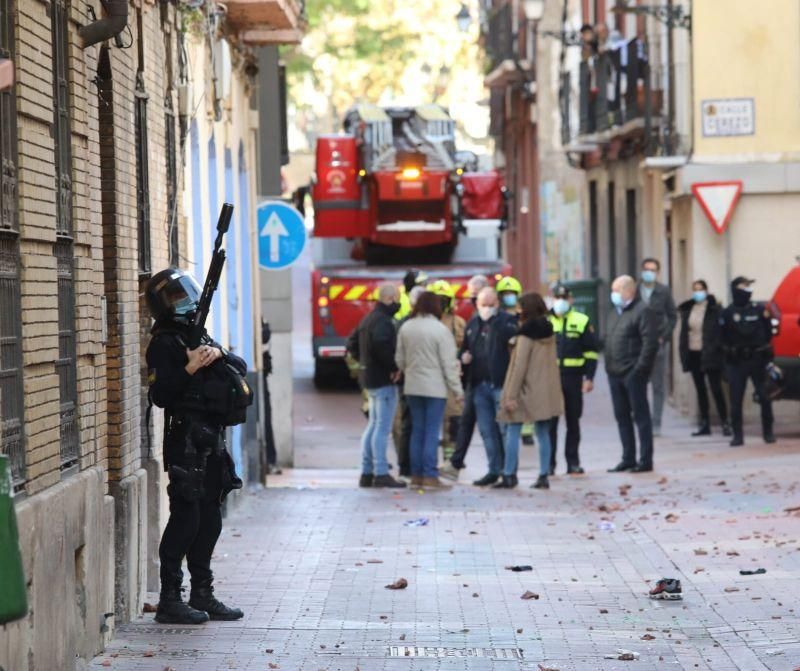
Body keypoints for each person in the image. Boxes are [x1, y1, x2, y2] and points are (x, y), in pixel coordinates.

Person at [145, 268, 247, 625]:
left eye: (184, 294)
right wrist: (188, 368)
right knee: (186, 518)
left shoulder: (196, 333)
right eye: (175, 298)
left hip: (211, 437)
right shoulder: (163, 342)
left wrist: (216, 355)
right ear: (162, 305)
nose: (185, 302)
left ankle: (203, 592)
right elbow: (160, 395)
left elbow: (239, 366)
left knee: (210, 518)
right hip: (185, 439)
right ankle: (170, 598)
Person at [395, 291, 463, 488]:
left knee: (417, 430)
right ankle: (430, 475)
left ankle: (416, 475)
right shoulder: (440, 330)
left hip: (412, 387)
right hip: (435, 389)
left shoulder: (406, 327)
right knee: (432, 432)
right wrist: (457, 391)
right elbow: (449, 364)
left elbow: (399, 359)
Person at [497, 293, 563, 489]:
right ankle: (544, 474)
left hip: (525, 389)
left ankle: (509, 474)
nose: (517, 311)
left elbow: (519, 366)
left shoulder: (526, 335)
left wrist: (510, 395)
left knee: (512, 429)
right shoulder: (549, 332)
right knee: (543, 433)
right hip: (545, 390)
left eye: (520, 307)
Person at [441, 287, 505, 482]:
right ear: (477, 305)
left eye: (490, 305)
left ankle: (506, 470)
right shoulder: (472, 324)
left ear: (497, 304)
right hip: (477, 384)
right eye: (483, 305)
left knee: (502, 430)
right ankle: (494, 470)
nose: (487, 309)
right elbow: (465, 349)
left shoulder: (504, 324)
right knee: (486, 431)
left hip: (498, 384)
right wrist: (464, 357)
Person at [346, 283, 406, 488]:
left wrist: (364, 362)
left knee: (373, 425)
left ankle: (367, 471)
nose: (398, 303)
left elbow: (351, 343)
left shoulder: (368, 319)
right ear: (389, 299)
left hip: (369, 379)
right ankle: (381, 472)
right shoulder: (384, 322)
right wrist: (393, 367)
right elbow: (382, 345)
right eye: (397, 299)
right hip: (382, 381)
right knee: (382, 427)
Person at [606, 274, 659, 473]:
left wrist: (640, 370)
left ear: (629, 291)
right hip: (614, 373)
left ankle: (645, 460)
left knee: (641, 417)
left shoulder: (643, 311)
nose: (614, 295)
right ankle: (628, 457)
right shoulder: (614, 313)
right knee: (622, 417)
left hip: (632, 374)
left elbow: (650, 343)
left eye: (617, 290)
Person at [548, 284, 598, 475]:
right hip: (551, 379)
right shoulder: (544, 320)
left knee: (573, 421)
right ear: (552, 299)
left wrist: (589, 378)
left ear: (571, 300)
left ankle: (573, 462)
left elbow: (591, 352)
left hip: (573, 377)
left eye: (564, 298)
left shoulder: (581, 320)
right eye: (557, 298)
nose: (561, 301)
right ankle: (549, 463)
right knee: (550, 422)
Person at [719, 276, 775, 447]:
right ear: (736, 289)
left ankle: (768, 433)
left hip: (757, 359)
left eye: (749, 286)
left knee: (765, 397)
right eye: (744, 286)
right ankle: (738, 435)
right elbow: (721, 338)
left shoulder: (759, 310)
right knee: (736, 400)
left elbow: (768, 332)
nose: (748, 290)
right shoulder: (727, 313)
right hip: (737, 361)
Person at [678, 281, 731, 437]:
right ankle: (705, 424)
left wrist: (717, 348)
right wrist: (683, 353)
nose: (697, 293)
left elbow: (721, 333)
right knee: (700, 390)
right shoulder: (688, 309)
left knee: (716, 389)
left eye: (700, 290)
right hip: (694, 353)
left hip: (711, 354)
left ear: (706, 291)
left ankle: (725, 423)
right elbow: (684, 334)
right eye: (695, 290)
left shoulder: (714, 309)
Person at [427, 280, 466, 462]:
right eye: (438, 299)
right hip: (430, 376)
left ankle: (451, 456)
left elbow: (464, 345)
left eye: (445, 299)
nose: (441, 303)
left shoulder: (457, 322)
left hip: (450, 376)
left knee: (454, 417)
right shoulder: (424, 322)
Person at [637, 258, 677, 436]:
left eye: (653, 270)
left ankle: (656, 423)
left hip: (657, 344)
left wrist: (664, 336)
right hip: (637, 345)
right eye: (646, 269)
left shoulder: (663, 291)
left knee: (658, 386)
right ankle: (641, 420)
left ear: (657, 272)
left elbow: (673, 316)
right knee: (638, 384)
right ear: (641, 270)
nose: (649, 273)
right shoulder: (634, 291)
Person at [393, 284, 426, 476]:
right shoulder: (430, 324)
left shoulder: (401, 323)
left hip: (406, 379)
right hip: (420, 380)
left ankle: (406, 467)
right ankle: (416, 467)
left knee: (408, 424)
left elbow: (397, 354)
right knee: (420, 425)